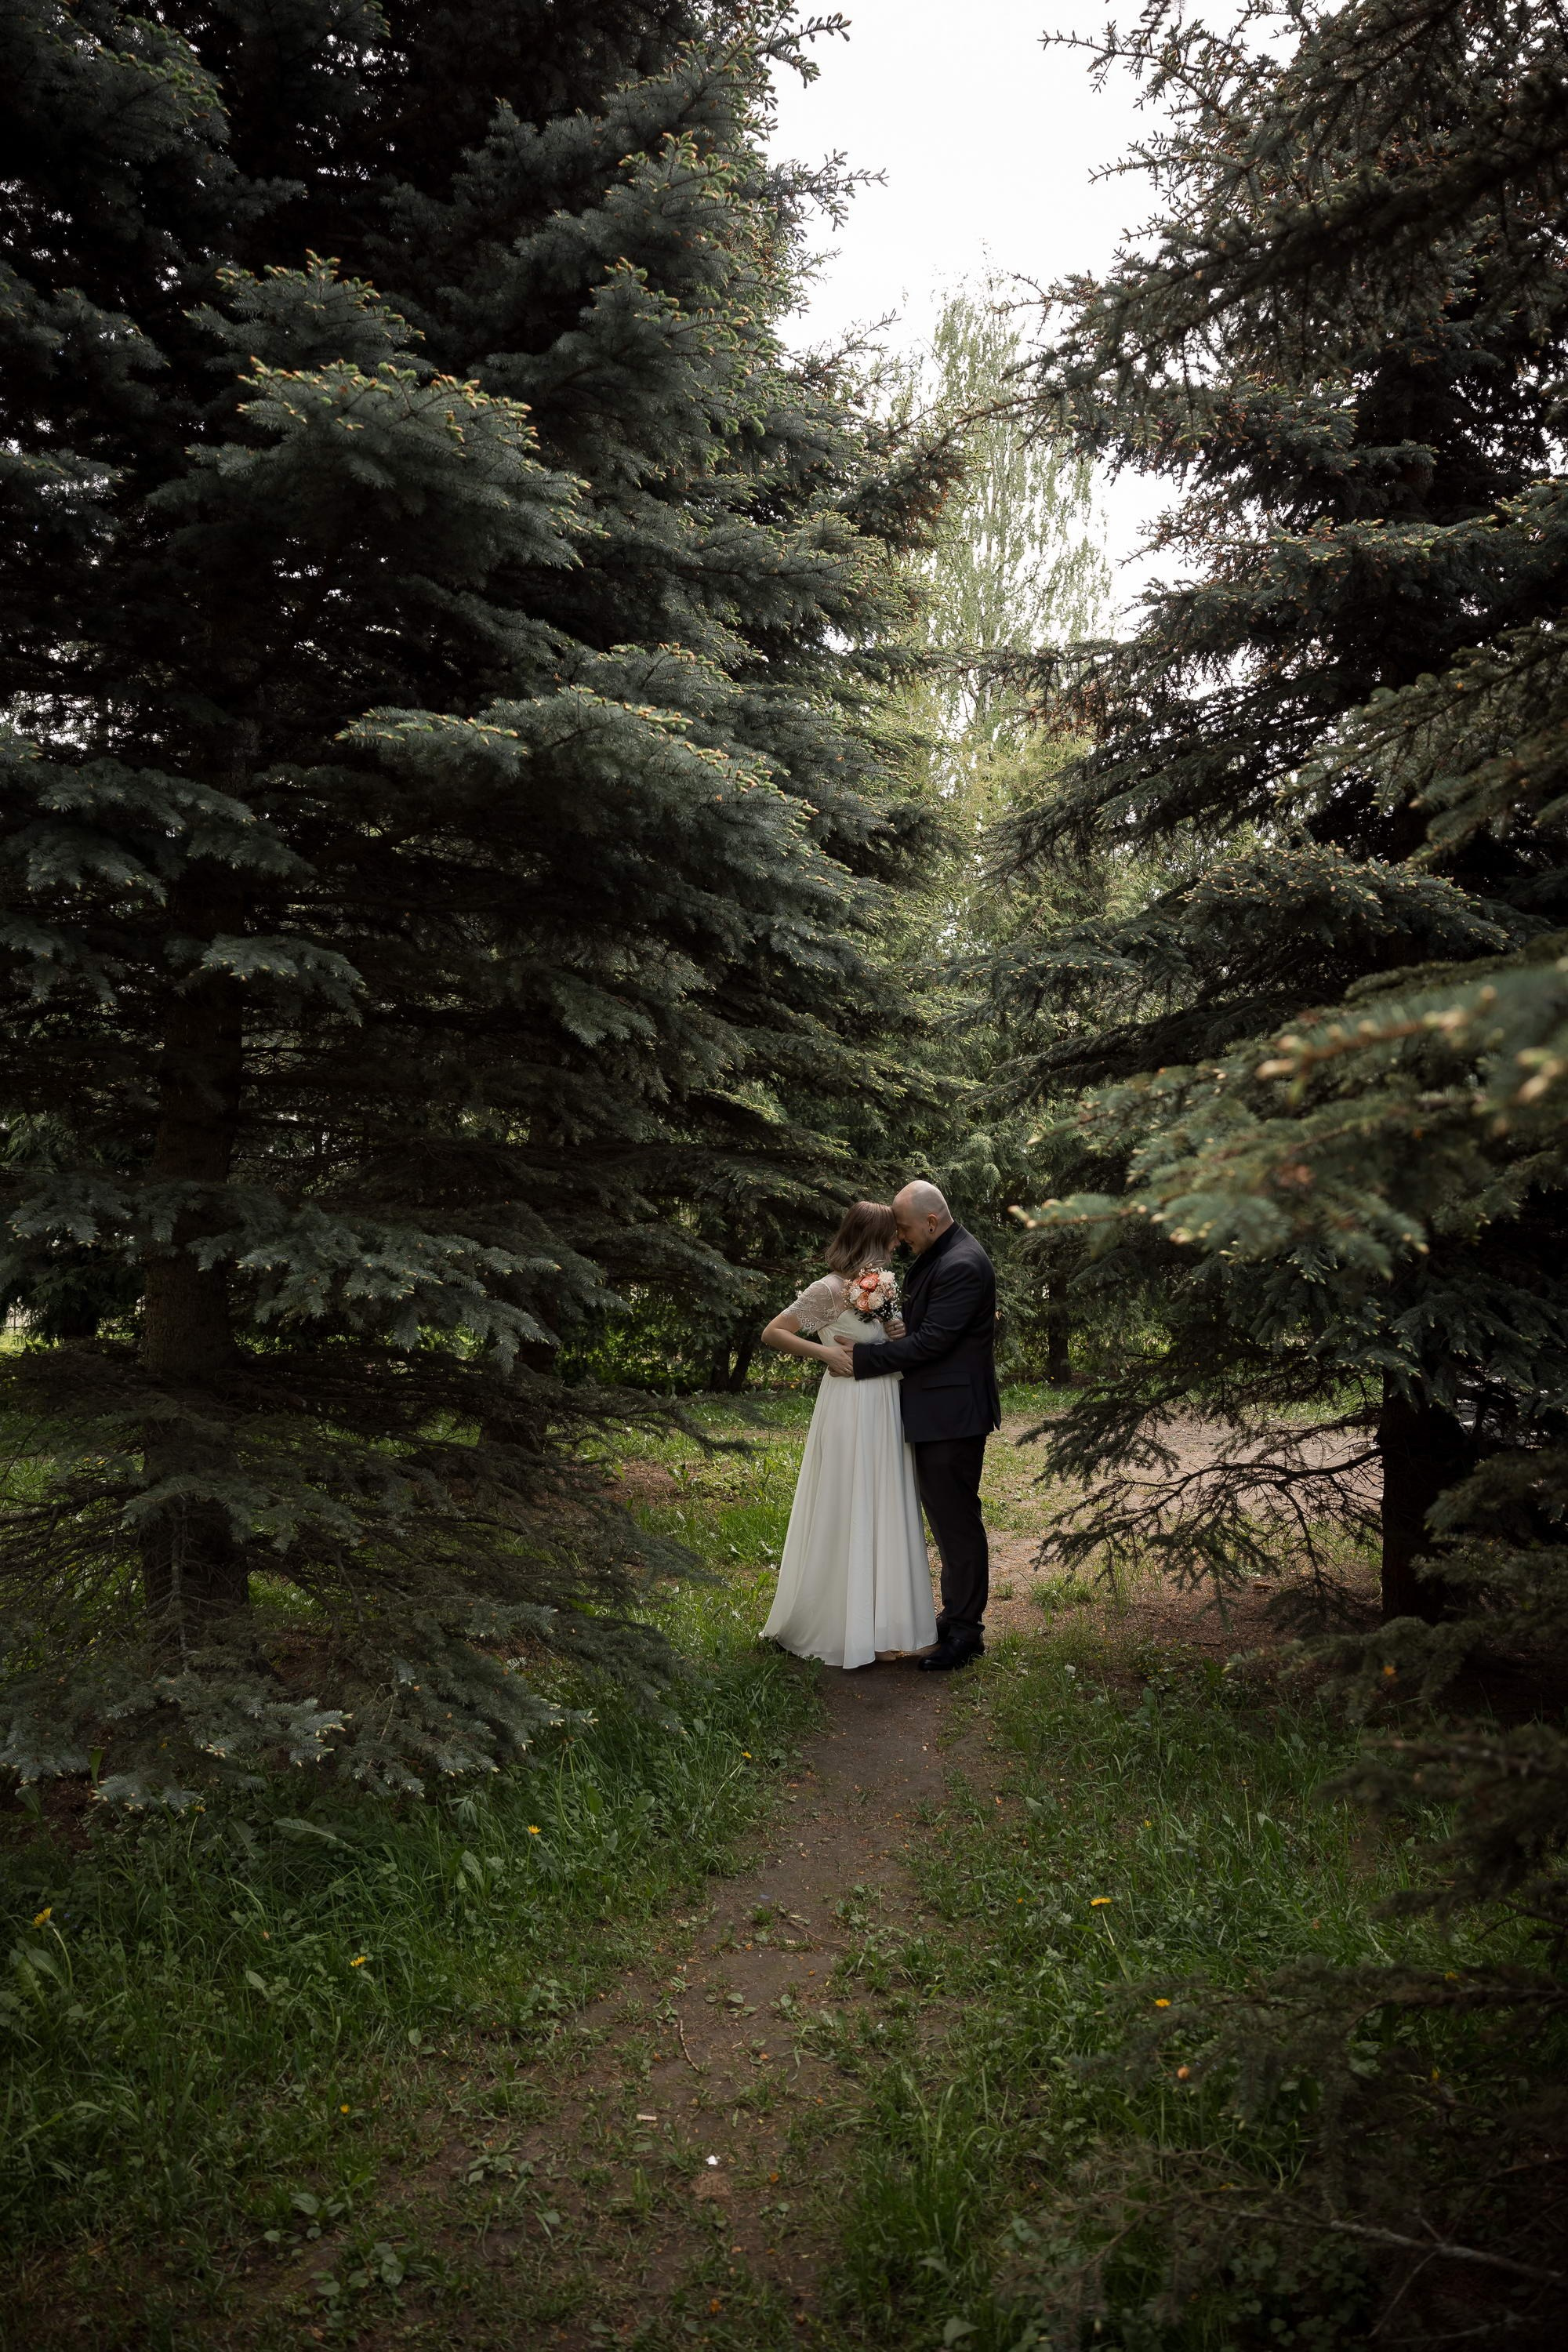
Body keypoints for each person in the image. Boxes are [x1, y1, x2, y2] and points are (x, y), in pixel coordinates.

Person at [822, 1180, 998, 1671]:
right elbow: (918, 1328)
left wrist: (862, 1360)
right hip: (934, 1411)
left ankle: (966, 1633)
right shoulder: (940, 1254)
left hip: (952, 1416)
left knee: (956, 1522)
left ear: (932, 1222)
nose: (900, 1238)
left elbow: (932, 1343)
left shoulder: (962, 1264)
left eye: (904, 1228)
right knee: (943, 1518)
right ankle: (953, 1617)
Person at [757, 1200, 937, 1669]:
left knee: (884, 1501)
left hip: (886, 1403)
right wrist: (826, 1356)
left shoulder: (883, 1285)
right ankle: (841, 1623)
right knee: (848, 1499)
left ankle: (881, 1627)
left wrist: (897, 1335)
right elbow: (774, 1332)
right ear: (871, 1238)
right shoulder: (828, 1288)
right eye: (891, 1236)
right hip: (848, 1404)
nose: (898, 1242)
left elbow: (891, 1345)